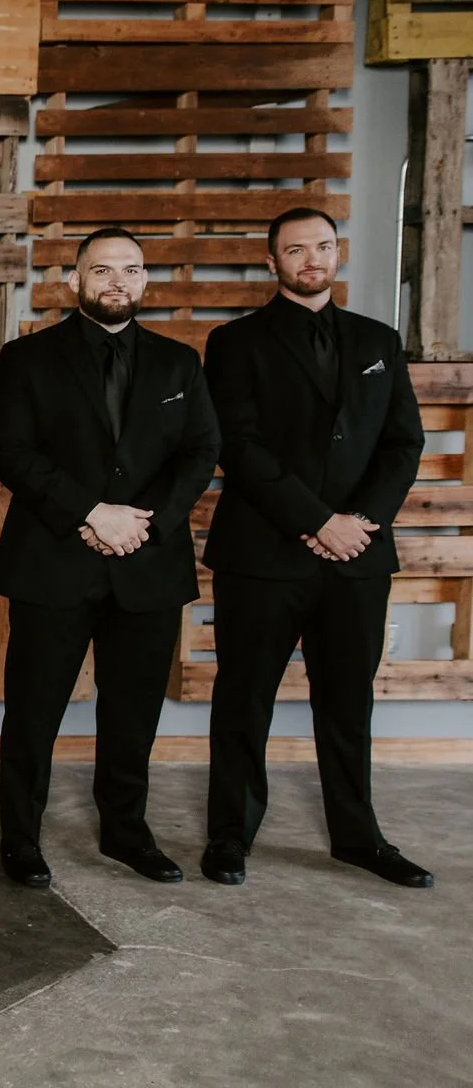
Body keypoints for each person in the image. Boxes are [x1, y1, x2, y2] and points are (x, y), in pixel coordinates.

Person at [200, 208, 431, 888]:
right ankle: (229, 835)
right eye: (295, 249)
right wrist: (314, 519)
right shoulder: (235, 342)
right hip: (264, 554)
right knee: (245, 698)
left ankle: (358, 836)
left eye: (322, 246)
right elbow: (239, 446)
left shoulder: (378, 340)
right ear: (271, 262)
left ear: (339, 253)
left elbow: (403, 443)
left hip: (358, 553)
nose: (311, 258)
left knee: (347, 700)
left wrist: (359, 520)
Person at [0, 227, 219, 888]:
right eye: (103, 269)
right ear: (75, 280)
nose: (117, 281)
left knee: (133, 710)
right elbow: (13, 452)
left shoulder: (180, 364)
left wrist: (144, 524)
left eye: (131, 270)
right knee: (33, 711)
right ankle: (22, 838)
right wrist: (92, 513)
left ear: (145, 281)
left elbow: (201, 452)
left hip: (146, 564)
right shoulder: (28, 359)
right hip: (55, 560)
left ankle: (124, 830)